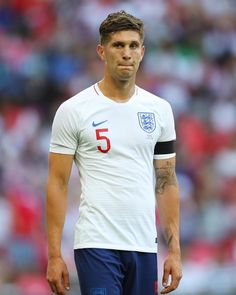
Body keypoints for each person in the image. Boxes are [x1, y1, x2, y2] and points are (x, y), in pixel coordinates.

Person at [46, 10, 182, 295]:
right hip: (96, 244)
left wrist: (175, 250)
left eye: (133, 45)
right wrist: (54, 254)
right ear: (101, 51)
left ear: (142, 52)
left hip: (144, 246)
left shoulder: (159, 110)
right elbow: (57, 183)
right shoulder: (74, 110)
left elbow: (166, 182)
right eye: (118, 45)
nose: (126, 53)